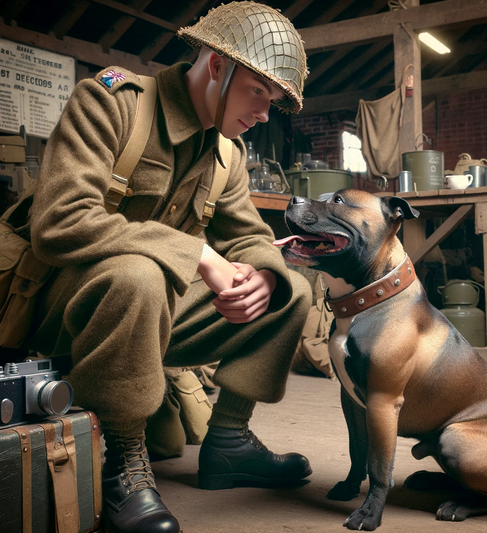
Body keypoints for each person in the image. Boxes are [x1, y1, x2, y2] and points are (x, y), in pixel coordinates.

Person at [24, 2, 312, 532]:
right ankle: (122, 462)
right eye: (258, 92)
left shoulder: (227, 153)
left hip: (151, 311)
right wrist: (198, 255)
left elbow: (249, 235)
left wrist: (264, 274)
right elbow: (59, 221)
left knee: (291, 289)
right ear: (218, 66)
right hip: (63, 308)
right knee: (140, 274)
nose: (265, 113)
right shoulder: (111, 104)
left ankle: (228, 443)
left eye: (272, 101)